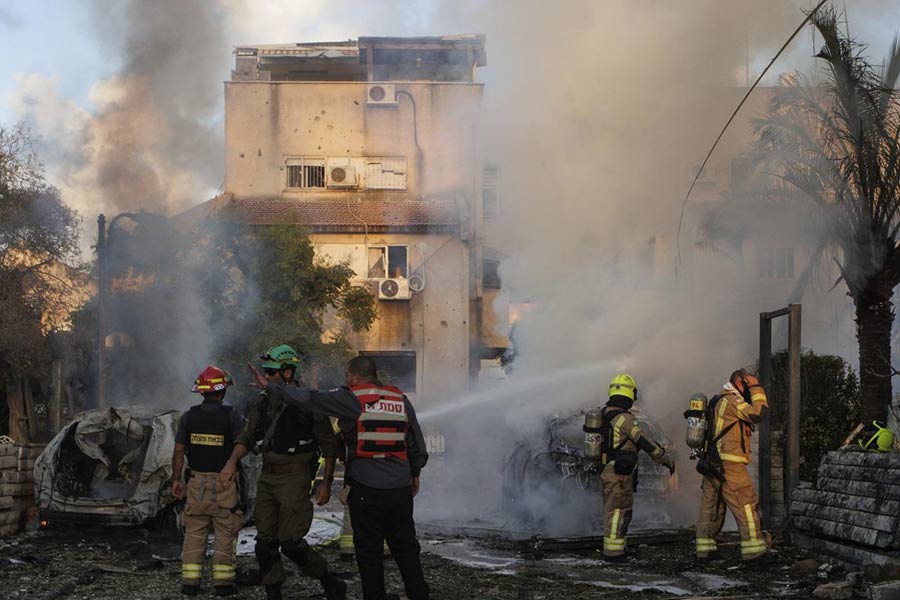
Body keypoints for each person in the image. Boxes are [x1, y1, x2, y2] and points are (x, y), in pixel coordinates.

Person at [249, 355, 430, 600]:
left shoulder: (352, 398)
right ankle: (419, 595)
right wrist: (414, 473)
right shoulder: (401, 399)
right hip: (399, 488)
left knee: (369, 551)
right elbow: (417, 444)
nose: (345, 379)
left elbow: (310, 398)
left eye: (346, 375)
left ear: (355, 375)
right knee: (406, 547)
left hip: (366, 487)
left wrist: (270, 387)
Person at [219, 345, 345, 600]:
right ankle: (273, 592)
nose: (266, 376)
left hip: (295, 475)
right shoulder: (263, 401)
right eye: (265, 371)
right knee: (264, 543)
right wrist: (231, 462)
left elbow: (329, 446)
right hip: (268, 475)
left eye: (271, 372)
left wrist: (325, 483)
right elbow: (248, 434)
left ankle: (330, 581)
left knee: (291, 543)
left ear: (287, 372)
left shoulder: (309, 401)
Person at [172, 366, 245, 597]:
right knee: (225, 531)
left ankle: (190, 584)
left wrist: (176, 479)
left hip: (196, 483)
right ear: (222, 392)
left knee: (194, 531)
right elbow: (243, 445)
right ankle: (223, 584)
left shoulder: (188, 417)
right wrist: (231, 464)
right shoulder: (232, 416)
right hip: (224, 482)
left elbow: (178, 451)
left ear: (202, 392)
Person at [599, 373, 675, 561]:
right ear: (630, 393)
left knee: (614, 510)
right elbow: (644, 441)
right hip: (620, 474)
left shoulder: (605, 413)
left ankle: (618, 548)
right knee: (618, 511)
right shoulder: (625, 419)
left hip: (609, 469)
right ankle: (614, 552)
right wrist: (665, 459)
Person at [695, 368, 769, 562]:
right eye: (747, 385)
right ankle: (754, 551)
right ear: (740, 383)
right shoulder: (731, 400)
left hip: (713, 463)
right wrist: (756, 387)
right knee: (746, 503)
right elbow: (759, 413)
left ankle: (705, 549)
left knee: (712, 507)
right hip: (729, 464)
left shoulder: (717, 401)